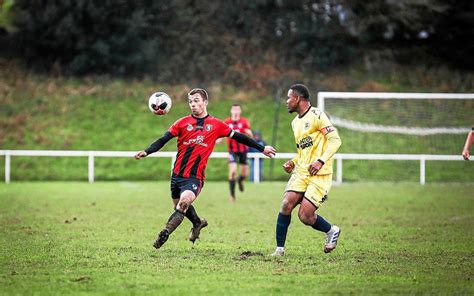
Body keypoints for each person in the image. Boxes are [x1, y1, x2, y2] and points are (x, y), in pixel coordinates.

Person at [135, 88, 276, 249]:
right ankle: (197, 223)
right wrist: (147, 151)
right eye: (190, 102)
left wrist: (261, 148)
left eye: (196, 100)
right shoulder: (181, 123)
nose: (193, 105)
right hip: (177, 175)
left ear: (205, 102)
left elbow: (240, 137)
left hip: (195, 177)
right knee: (178, 206)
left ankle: (165, 233)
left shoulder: (216, 125)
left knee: (183, 203)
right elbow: (162, 140)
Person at [270, 84, 342, 257]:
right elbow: (303, 151)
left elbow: (335, 140)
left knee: (305, 216)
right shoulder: (295, 123)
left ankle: (331, 230)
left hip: (320, 174)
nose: (286, 101)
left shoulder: (318, 115)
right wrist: (293, 162)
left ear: (298, 99)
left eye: (288, 98)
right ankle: (279, 249)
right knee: (286, 204)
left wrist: (320, 161)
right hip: (302, 172)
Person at [223, 104, 253, 202]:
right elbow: (221, 133)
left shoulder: (244, 122)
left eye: (237, 109)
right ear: (231, 111)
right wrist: (218, 139)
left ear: (240, 111)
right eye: (234, 109)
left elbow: (249, 134)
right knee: (233, 172)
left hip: (243, 150)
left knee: (244, 174)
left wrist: (249, 133)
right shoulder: (226, 122)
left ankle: (240, 180)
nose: (235, 111)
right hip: (232, 151)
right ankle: (232, 196)